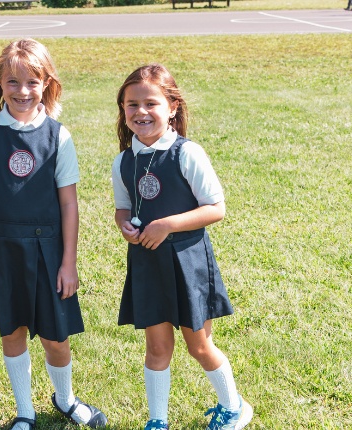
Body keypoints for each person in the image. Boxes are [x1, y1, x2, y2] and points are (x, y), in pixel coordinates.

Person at [0, 38, 107, 430]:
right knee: (12, 331)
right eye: (12, 82)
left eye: (32, 82)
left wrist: (68, 262)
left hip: (46, 249)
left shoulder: (59, 136)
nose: (22, 91)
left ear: (47, 85)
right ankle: (24, 411)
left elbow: (69, 204)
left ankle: (65, 398)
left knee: (56, 337)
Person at [111, 64, 253, 430]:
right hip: (147, 262)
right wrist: (124, 224)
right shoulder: (123, 160)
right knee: (157, 348)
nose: (141, 112)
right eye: (131, 105)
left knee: (199, 345)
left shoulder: (186, 153)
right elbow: (123, 206)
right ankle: (157, 421)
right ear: (122, 110)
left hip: (187, 262)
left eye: (151, 103)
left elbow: (216, 208)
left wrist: (167, 225)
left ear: (172, 107)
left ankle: (234, 406)